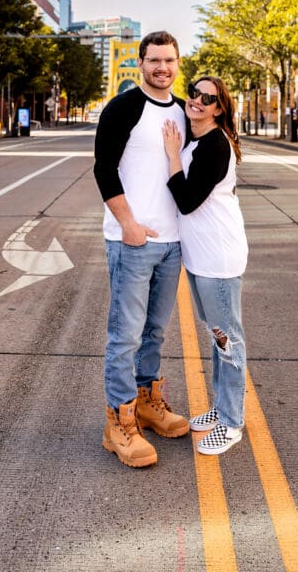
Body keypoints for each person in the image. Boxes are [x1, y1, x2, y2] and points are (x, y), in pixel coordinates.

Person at [94, 30, 189, 468]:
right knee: (126, 334)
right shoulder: (124, 107)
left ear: (177, 62)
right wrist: (128, 224)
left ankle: (148, 404)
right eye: (154, 60)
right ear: (140, 61)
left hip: (172, 243)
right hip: (132, 242)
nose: (162, 68)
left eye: (169, 60)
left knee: (154, 332)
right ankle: (119, 422)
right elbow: (103, 169)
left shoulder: (187, 110)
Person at [163, 76, 248, 456]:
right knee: (217, 335)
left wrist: (170, 155)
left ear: (219, 108)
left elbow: (186, 200)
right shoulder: (199, 138)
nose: (196, 100)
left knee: (228, 339)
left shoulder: (214, 143)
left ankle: (232, 422)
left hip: (218, 257)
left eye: (207, 98)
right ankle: (220, 408)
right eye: (193, 93)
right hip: (201, 256)